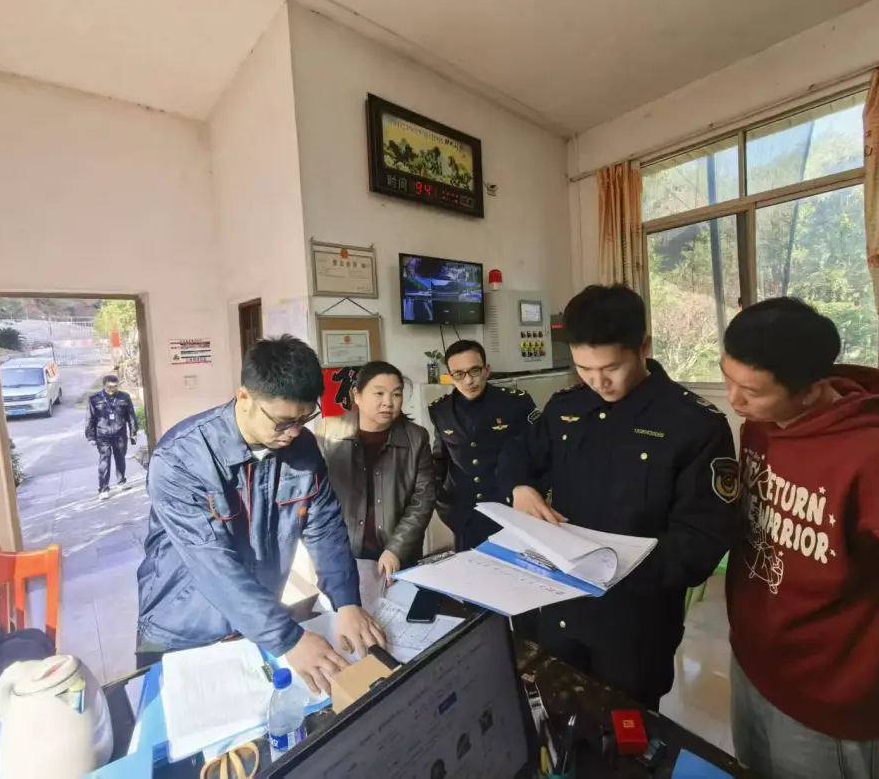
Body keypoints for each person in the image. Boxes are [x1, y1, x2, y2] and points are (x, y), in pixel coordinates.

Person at [721, 297, 879, 779]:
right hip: (752, 658)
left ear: (811, 391)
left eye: (750, 390)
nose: (734, 400)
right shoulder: (762, 428)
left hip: (824, 692)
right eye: (726, 377)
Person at [496, 284, 737, 708]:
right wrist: (521, 488)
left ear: (643, 346)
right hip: (558, 608)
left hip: (634, 623)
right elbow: (517, 454)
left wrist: (612, 570)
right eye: (583, 369)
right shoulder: (567, 408)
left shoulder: (695, 425)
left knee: (627, 741)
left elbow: (701, 541)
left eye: (610, 367)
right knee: (557, 720)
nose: (597, 382)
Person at [135, 335, 386, 694]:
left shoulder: (302, 448)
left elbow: (325, 528)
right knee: (172, 737)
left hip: (257, 621)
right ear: (245, 398)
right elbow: (212, 564)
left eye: (304, 419)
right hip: (179, 628)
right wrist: (288, 638)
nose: (294, 433)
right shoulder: (179, 459)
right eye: (283, 422)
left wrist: (346, 601)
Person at [316, 361, 435, 581]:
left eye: (396, 394)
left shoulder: (416, 438)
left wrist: (396, 548)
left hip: (397, 552)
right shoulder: (329, 433)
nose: (388, 402)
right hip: (343, 551)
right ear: (357, 395)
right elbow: (318, 500)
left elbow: (423, 500)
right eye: (379, 393)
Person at [429, 339, 538, 551]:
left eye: (475, 371)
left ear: (487, 370)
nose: (468, 380)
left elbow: (537, 454)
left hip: (510, 509)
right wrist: (443, 506)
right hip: (465, 514)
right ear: (450, 377)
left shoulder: (516, 403)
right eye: (459, 374)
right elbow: (440, 461)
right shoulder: (441, 411)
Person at [84, 374, 137, 500]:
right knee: (104, 460)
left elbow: (131, 415)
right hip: (103, 435)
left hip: (120, 433)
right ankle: (103, 488)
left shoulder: (124, 397)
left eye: (115, 386)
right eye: (110, 387)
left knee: (120, 458)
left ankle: (121, 482)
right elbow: (90, 418)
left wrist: (133, 432)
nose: (113, 389)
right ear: (104, 386)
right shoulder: (94, 398)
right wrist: (90, 436)